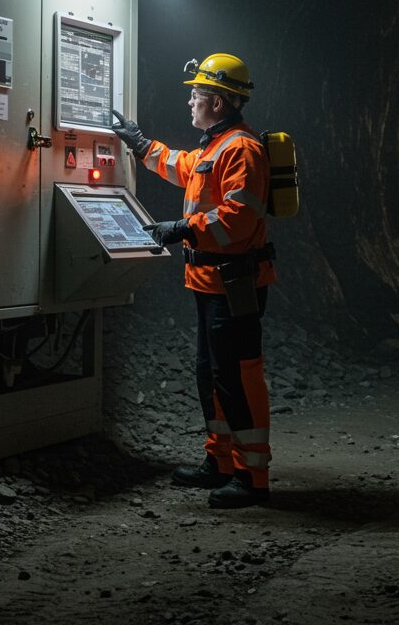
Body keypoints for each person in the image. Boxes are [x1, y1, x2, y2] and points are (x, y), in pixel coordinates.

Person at [110, 53, 276, 509]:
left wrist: (184, 228)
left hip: (234, 284)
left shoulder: (242, 149)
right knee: (213, 374)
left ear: (218, 102)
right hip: (209, 282)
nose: (190, 103)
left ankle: (252, 477)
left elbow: (239, 219)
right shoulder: (214, 145)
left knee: (238, 376)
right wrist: (141, 145)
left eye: (196, 95)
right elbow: (184, 167)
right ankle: (220, 462)